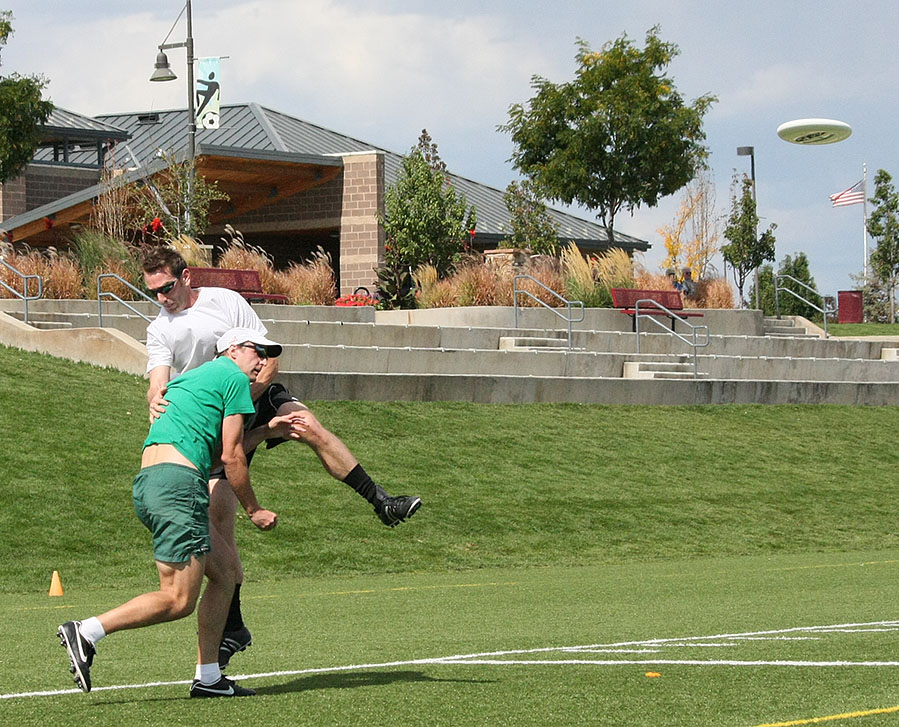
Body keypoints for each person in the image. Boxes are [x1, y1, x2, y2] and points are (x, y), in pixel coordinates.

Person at [140, 247, 421, 669]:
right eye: (153, 293)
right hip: (215, 416)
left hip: (248, 396)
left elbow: (267, 359)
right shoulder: (160, 330)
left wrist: (244, 399)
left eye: (165, 288)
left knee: (308, 424)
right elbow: (158, 381)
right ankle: (232, 624)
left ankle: (381, 501)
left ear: (185, 277)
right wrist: (156, 398)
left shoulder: (224, 301)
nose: (161, 299)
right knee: (219, 511)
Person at [58, 328, 299, 697]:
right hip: (178, 485)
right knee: (178, 599)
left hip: (155, 480)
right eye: (257, 351)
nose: (263, 360)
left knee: (227, 574)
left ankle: (209, 678)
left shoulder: (195, 378)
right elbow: (232, 457)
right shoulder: (233, 376)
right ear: (232, 350)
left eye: (267, 354)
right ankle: (87, 631)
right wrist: (254, 510)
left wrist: (267, 430)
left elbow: (219, 449)